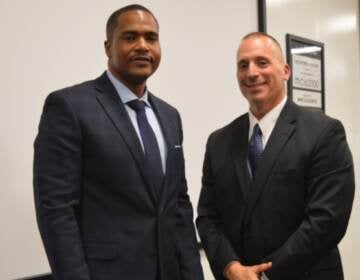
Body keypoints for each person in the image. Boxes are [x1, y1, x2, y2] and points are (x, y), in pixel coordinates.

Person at [33, 4, 203, 280]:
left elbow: (178, 205)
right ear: (108, 46)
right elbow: (56, 209)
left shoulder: (170, 116)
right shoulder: (70, 106)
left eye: (151, 38)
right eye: (129, 37)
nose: (142, 46)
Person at [196, 32, 355, 280]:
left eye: (262, 62)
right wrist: (231, 267)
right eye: (243, 65)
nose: (251, 73)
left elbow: (326, 220)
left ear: (286, 71)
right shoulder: (219, 142)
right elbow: (208, 218)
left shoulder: (324, 132)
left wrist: (263, 275)